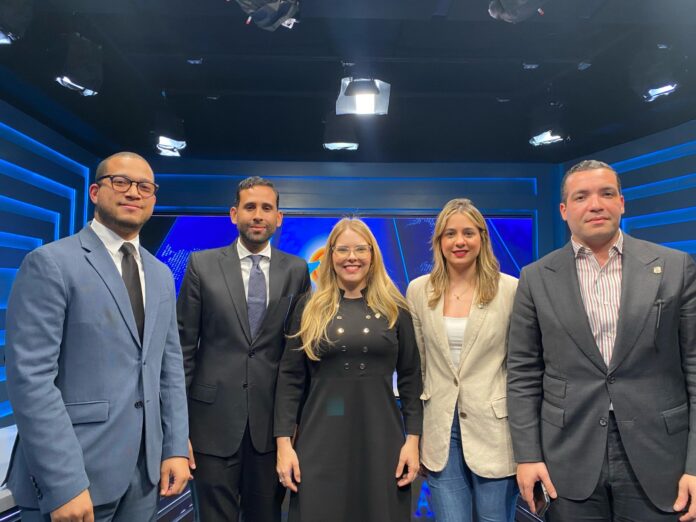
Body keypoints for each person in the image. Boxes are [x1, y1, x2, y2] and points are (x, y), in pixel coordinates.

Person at [5, 152, 190, 522]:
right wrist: (64, 483)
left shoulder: (160, 274)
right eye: (121, 182)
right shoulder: (51, 262)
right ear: (94, 192)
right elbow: (31, 380)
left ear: (153, 198)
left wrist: (174, 447)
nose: (133, 192)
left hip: (144, 476)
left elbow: (168, 367)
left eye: (144, 187)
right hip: (77, 476)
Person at [507, 159, 696, 521]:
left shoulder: (675, 267)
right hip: (568, 455)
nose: (595, 205)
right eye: (581, 197)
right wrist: (527, 456)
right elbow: (523, 374)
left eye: (606, 194)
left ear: (621, 203)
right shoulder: (536, 278)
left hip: (660, 454)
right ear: (564, 210)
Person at [177, 176, 310, 522]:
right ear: (234, 214)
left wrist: (291, 428)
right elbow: (183, 351)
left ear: (279, 217)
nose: (258, 215)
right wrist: (177, 430)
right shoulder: (201, 265)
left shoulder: (296, 270)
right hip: (209, 426)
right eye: (250, 207)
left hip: (269, 430)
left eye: (266, 208)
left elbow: (295, 358)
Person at [274, 217, 423, 522]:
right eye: (342, 250)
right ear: (330, 256)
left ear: (372, 254)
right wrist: (284, 445)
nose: (351, 257)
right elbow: (290, 380)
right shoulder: (309, 308)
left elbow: (411, 378)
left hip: (382, 441)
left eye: (360, 249)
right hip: (319, 441)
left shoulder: (396, 308)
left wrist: (413, 440)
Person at [406, 198, 519, 522]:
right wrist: (415, 436)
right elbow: (418, 367)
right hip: (441, 432)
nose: (459, 241)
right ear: (439, 241)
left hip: (496, 431)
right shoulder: (419, 291)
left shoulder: (510, 289)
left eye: (468, 233)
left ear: (482, 237)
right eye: (450, 234)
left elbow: (520, 367)